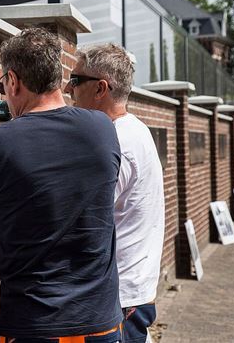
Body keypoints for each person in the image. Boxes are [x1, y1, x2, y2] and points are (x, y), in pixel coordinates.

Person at [0, 28, 122, 342]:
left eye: (2, 84)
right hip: (101, 323)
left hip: (32, 326)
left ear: (14, 81)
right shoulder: (102, 128)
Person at [65, 43, 165, 343]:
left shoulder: (115, 142)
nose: (68, 89)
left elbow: (84, 220)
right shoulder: (135, 130)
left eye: (75, 80)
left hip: (118, 300)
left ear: (100, 89)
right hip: (130, 292)